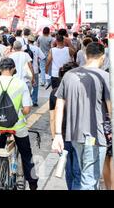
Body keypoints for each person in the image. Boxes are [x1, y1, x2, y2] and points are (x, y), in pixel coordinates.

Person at [52, 42, 112, 190]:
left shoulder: (69, 75)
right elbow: (110, 109)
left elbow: (59, 105)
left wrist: (58, 134)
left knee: (87, 175)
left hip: (74, 135)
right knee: (89, 180)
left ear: (85, 55)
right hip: (95, 135)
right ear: (103, 57)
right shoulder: (105, 77)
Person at [0, 58, 39, 190]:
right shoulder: (20, 83)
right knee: (26, 154)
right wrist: (19, 115)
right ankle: (33, 184)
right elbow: (27, 109)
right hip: (17, 125)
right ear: (13, 69)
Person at [47, 62, 81, 190]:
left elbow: (52, 118)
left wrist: (54, 138)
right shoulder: (82, 90)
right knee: (78, 171)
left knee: (68, 169)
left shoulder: (55, 92)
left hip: (62, 136)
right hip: (79, 136)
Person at [27, 35, 45, 107]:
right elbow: (43, 57)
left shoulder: (24, 47)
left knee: (26, 86)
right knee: (35, 86)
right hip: (35, 69)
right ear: (34, 41)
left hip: (26, 70)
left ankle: (26, 100)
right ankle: (34, 101)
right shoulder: (37, 48)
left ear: (28, 40)